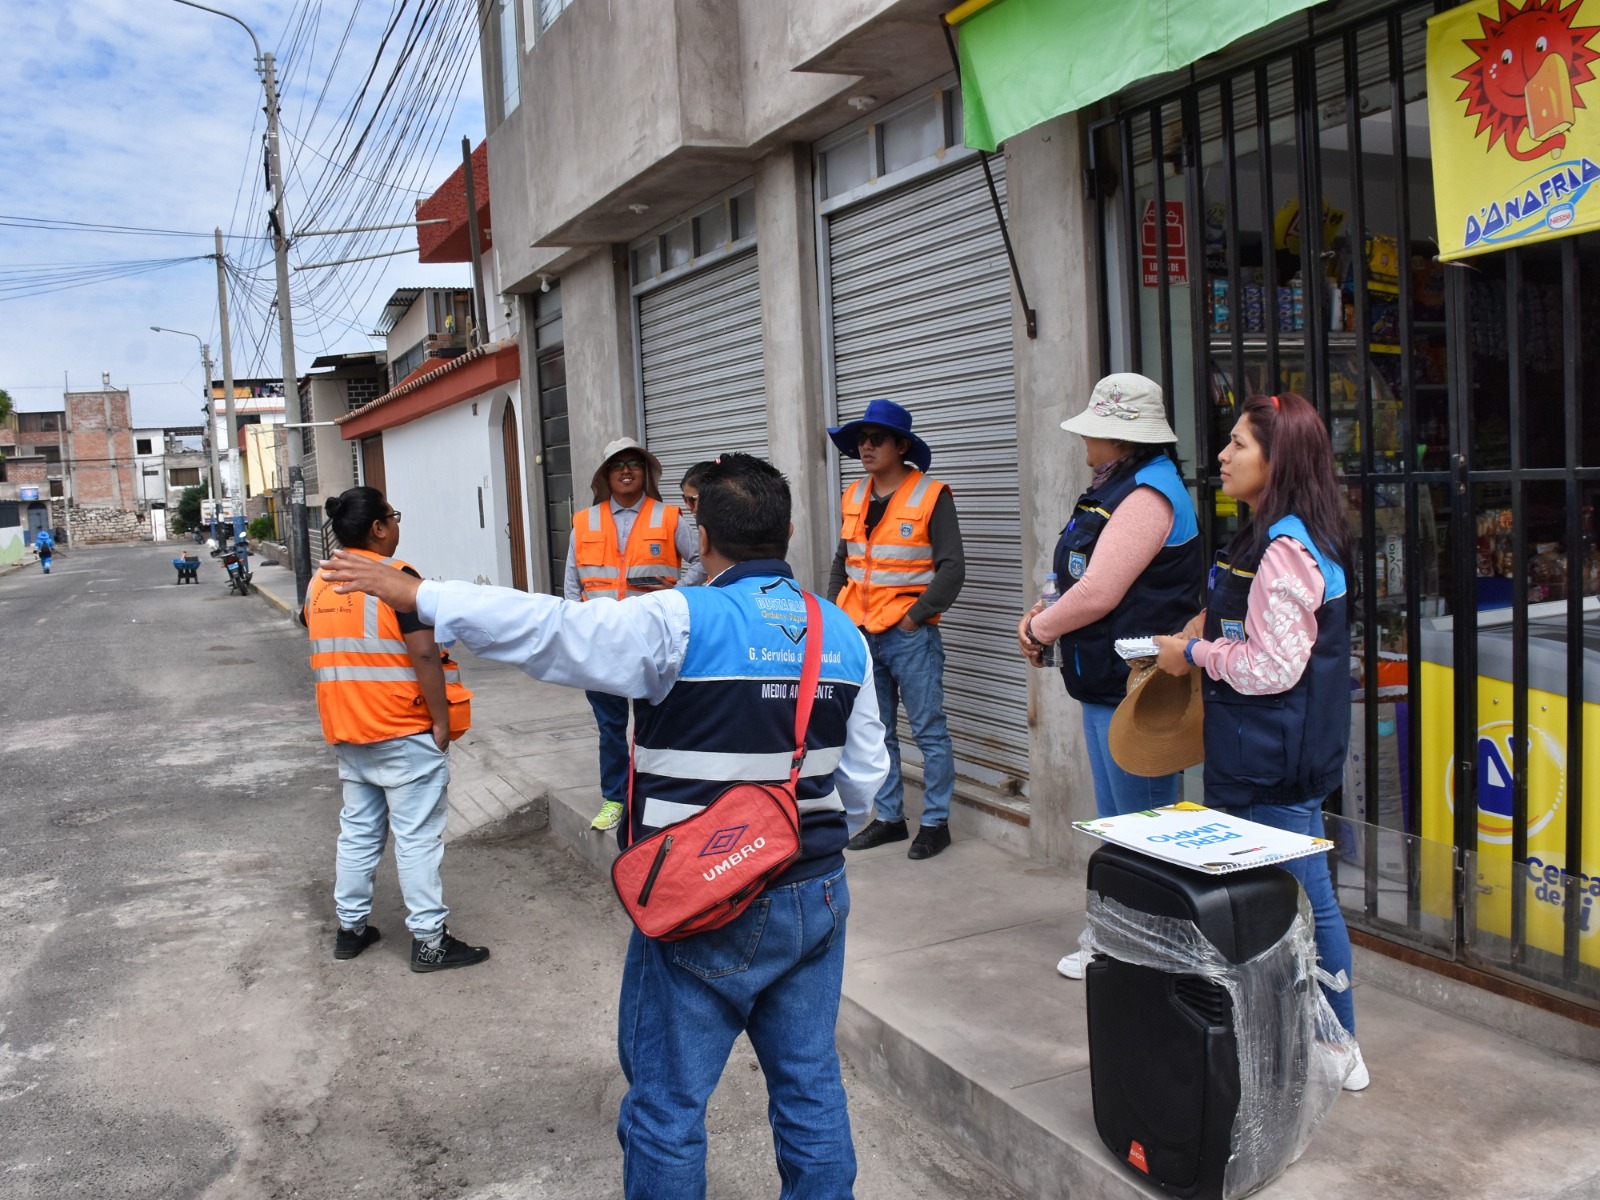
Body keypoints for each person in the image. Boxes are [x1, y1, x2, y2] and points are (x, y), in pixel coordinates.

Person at [320, 454, 890, 1197]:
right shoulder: (840, 630)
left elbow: (554, 630)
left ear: (702, 535)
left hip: (700, 900)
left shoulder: (676, 619)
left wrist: (425, 596)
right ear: (786, 531)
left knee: (668, 1104)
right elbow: (864, 785)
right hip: (813, 894)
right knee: (811, 1090)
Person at [1152, 392, 1368, 1091]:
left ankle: (1334, 1048)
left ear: (1277, 460)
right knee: (1299, 898)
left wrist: (1198, 657)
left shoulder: (1284, 550)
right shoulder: (1286, 538)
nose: (1222, 455)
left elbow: (1272, 668)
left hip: (1269, 760)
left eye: (1238, 444)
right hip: (1280, 755)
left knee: (1294, 902)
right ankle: (1319, 1042)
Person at [1014, 374, 1202, 980]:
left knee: (1148, 826)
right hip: (1107, 683)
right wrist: (1046, 607)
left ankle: (1155, 949)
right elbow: (1075, 573)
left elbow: (1099, 590)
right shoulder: (1115, 487)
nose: (1084, 439)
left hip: (1139, 688)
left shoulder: (1148, 497)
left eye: (1093, 429)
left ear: (1118, 439)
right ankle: (1126, 935)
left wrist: (1043, 631)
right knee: (1125, 826)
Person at [303, 486, 489, 973]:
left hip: (348, 728)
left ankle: (351, 928)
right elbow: (424, 653)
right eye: (393, 517)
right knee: (416, 839)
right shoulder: (396, 579)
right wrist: (441, 722)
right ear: (379, 528)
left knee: (359, 832)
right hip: (401, 728)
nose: (396, 525)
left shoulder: (318, 582)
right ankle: (429, 941)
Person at [827, 399, 965, 861]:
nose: (866, 447)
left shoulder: (931, 494)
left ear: (901, 445)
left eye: (876, 439)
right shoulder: (853, 495)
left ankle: (935, 822)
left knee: (928, 729)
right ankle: (889, 818)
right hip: (862, 633)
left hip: (909, 635)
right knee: (876, 729)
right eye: (861, 440)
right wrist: (835, 614)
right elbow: (842, 561)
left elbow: (952, 569)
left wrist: (913, 617)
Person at [565, 438, 704, 833]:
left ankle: (657, 795)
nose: (626, 471)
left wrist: (678, 592)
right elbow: (572, 583)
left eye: (635, 465)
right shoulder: (583, 522)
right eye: (618, 465)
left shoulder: (669, 517)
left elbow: (697, 562)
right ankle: (615, 798)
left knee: (656, 721)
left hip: (653, 638)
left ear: (646, 473)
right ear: (605, 476)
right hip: (602, 640)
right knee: (610, 726)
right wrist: (577, 631)